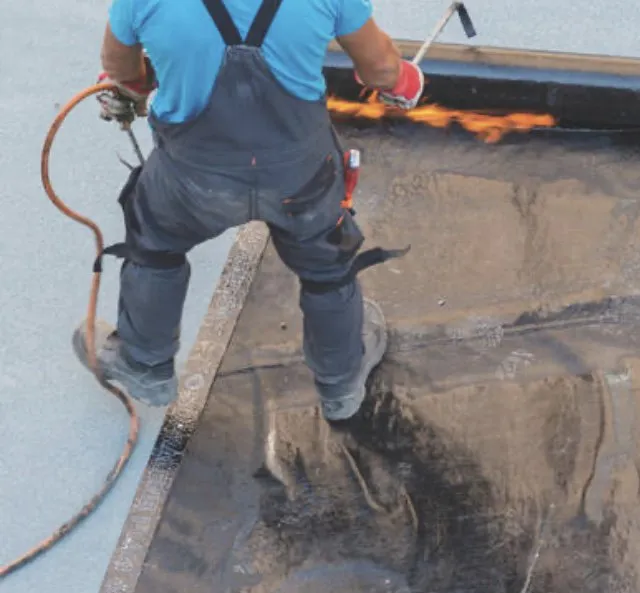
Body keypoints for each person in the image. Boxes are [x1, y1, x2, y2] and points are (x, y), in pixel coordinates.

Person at [73, 0, 425, 429]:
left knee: (156, 244)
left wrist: (139, 87)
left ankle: (145, 367)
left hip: (193, 182)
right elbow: (383, 73)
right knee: (327, 266)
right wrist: (405, 82)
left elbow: (122, 72)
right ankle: (340, 383)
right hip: (301, 182)